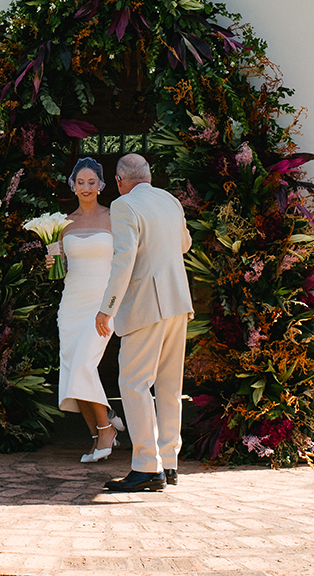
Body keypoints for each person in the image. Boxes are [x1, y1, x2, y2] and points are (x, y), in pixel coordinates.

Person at [96, 153, 194, 493]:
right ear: (149, 176)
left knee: (134, 383)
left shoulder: (124, 206)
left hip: (145, 306)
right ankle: (169, 463)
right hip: (178, 302)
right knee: (169, 386)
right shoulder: (169, 200)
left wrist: (106, 308)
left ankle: (146, 466)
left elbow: (123, 261)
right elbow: (185, 244)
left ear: (121, 181)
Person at [51, 157, 126, 463]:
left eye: (91, 182)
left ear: (101, 185)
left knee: (83, 364)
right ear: (73, 185)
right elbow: (61, 268)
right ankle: (96, 435)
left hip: (103, 302)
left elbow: (125, 261)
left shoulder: (114, 217)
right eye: (80, 182)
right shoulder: (63, 224)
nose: (85, 187)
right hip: (71, 305)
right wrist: (52, 263)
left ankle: (107, 429)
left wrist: (112, 305)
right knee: (72, 370)